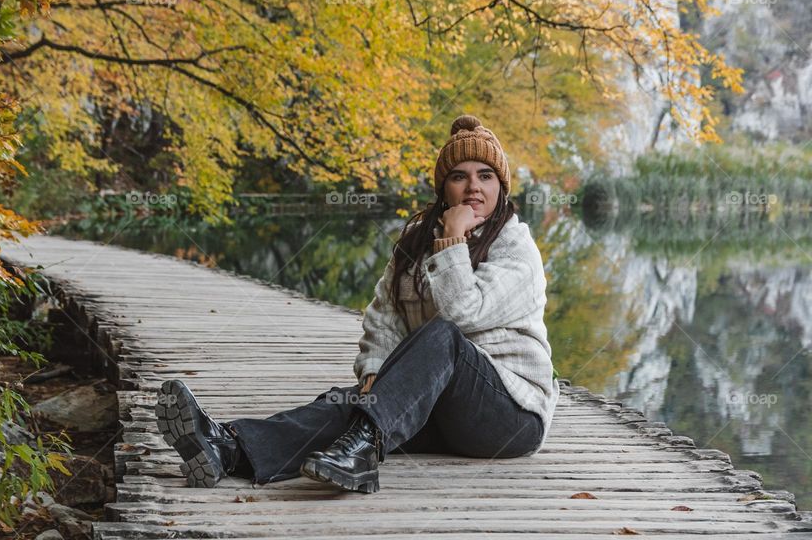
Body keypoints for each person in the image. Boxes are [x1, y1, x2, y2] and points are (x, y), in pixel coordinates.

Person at [155, 114, 560, 493]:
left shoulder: (516, 248)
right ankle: (227, 449)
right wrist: (372, 372)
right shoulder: (417, 241)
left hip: (510, 415)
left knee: (442, 336)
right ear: (444, 189)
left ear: (500, 187)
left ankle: (361, 450)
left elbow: (461, 313)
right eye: (459, 176)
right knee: (347, 403)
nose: (473, 186)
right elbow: (384, 317)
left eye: (485, 176)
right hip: (443, 409)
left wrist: (452, 239)